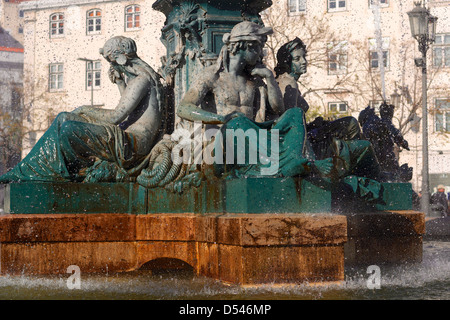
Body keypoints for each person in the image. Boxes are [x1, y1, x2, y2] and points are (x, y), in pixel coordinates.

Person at [176, 21, 333, 178]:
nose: (261, 53)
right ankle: (283, 163)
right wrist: (221, 118)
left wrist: (269, 78)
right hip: (223, 145)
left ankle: (292, 161)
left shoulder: (254, 80)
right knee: (237, 121)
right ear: (246, 46)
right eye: (259, 48)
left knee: (295, 114)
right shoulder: (212, 75)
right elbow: (183, 108)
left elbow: (279, 109)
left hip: (254, 138)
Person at [0, 36, 165, 183]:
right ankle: (31, 170)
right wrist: (120, 83)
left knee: (69, 129)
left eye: (111, 62)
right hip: (128, 138)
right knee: (64, 117)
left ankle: (49, 172)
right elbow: (133, 112)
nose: (112, 67)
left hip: (133, 144)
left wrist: (85, 109)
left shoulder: (141, 80)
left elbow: (116, 116)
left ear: (121, 59)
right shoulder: (141, 79)